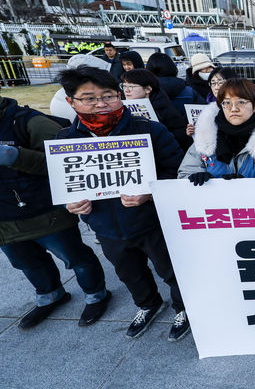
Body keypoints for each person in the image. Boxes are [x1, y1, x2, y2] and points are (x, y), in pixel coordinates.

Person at [57, 67, 190, 342]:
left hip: (152, 222)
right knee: (129, 273)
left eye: (108, 96)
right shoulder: (65, 140)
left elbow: (177, 170)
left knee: (172, 270)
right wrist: (71, 204)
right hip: (105, 226)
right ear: (71, 102)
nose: (101, 104)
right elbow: (62, 184)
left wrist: (150, 194)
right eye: (89, 98)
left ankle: (184, 308)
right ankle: (148, 304)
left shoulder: (149, 130)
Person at [0, 94, 110, 329]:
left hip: (44, 210)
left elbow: (66, 161)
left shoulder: (28, 122)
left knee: (75, 258)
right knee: (27, 262)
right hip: (5, 221)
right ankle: (50, 295)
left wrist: (17, 157)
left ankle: (96, 295)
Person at [178, 78, 255, 183]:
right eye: (227, 103)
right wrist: (197, 179)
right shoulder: (205, 137)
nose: (234, 108)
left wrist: (247, 187)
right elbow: (185, 174)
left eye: (241, 102)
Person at [120, 69, 192, 150]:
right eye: (124, 86)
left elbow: (180, 139)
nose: (126, 90)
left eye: (131, 87)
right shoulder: (120, 107)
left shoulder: (165, 109)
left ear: (148, 89)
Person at [186, 67, 237, 137]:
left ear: (232, 82)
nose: (216, 87)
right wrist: (197, 130)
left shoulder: (239, 105)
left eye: (220, 82)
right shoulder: (209, 103)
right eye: (213, 83)